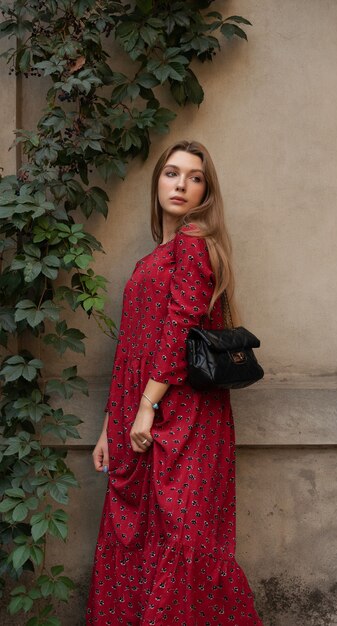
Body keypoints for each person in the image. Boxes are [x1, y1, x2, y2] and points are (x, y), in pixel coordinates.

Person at [86, 140, 263, 625]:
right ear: (157, 182)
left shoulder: (193, 243)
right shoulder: (160, 253)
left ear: (206, 191)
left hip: (184, 419)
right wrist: (109, 424)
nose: (181, 184)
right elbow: (130, 351)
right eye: (171, 173)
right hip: (140, 412)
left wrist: (145, 407)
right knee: (141, 540)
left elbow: (181, 327)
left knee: (184, 542)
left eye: (194, 177)